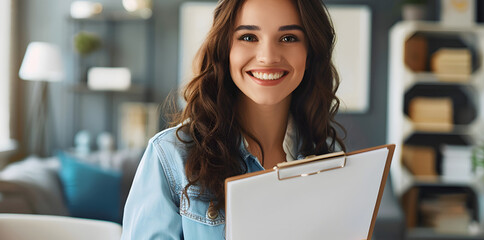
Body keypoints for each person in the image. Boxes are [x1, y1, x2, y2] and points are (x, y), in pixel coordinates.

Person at [121, 0, 344, 238]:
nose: (268, 57)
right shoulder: (170, 156)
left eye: (289, 38)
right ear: (224, 48)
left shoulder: (327, 158)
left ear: (310, 53)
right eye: (248, 37)